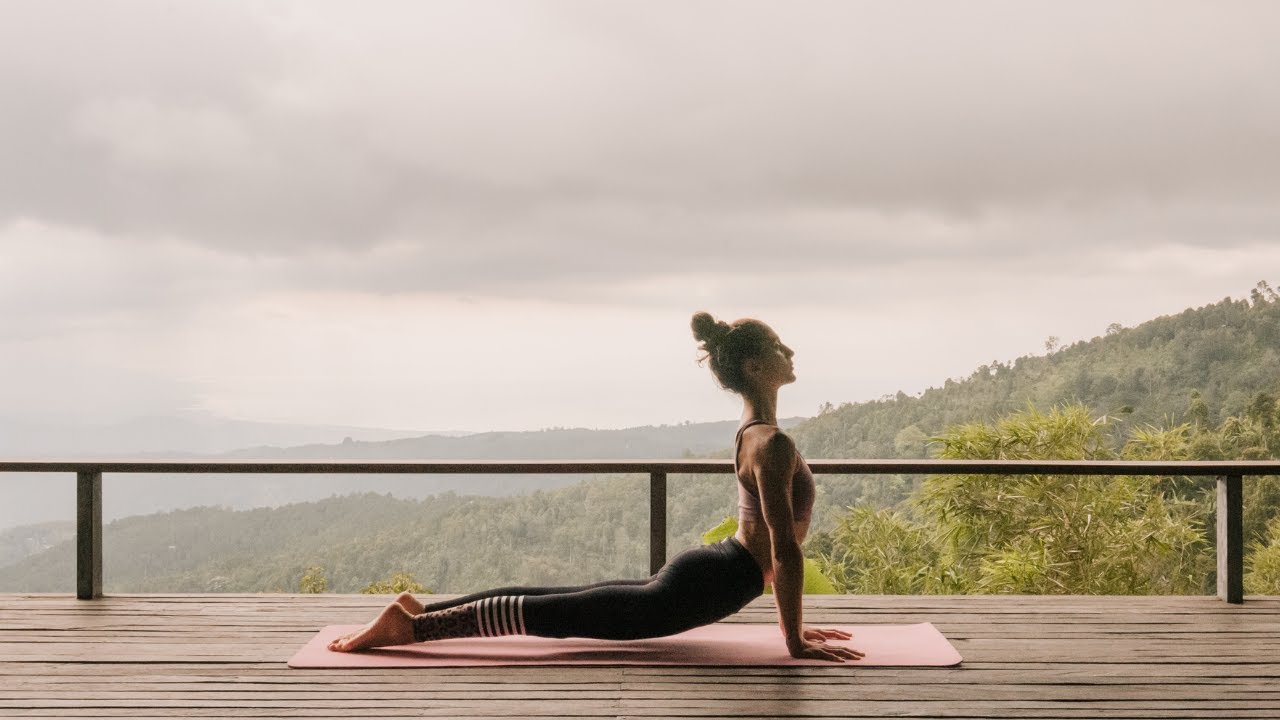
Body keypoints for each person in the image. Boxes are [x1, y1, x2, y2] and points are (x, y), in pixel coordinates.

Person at [327, 312, 864, 662]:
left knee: (564, 603)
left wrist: (795, 628)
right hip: (717, 579)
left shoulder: (754, 433)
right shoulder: (772, 443)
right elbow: (784, 549)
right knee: (559, 615)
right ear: (754, 364)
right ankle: (413, 629)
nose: (788, 350)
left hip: (716, 570)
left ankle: (419, 613)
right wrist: (794, 640)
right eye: (776, 345)